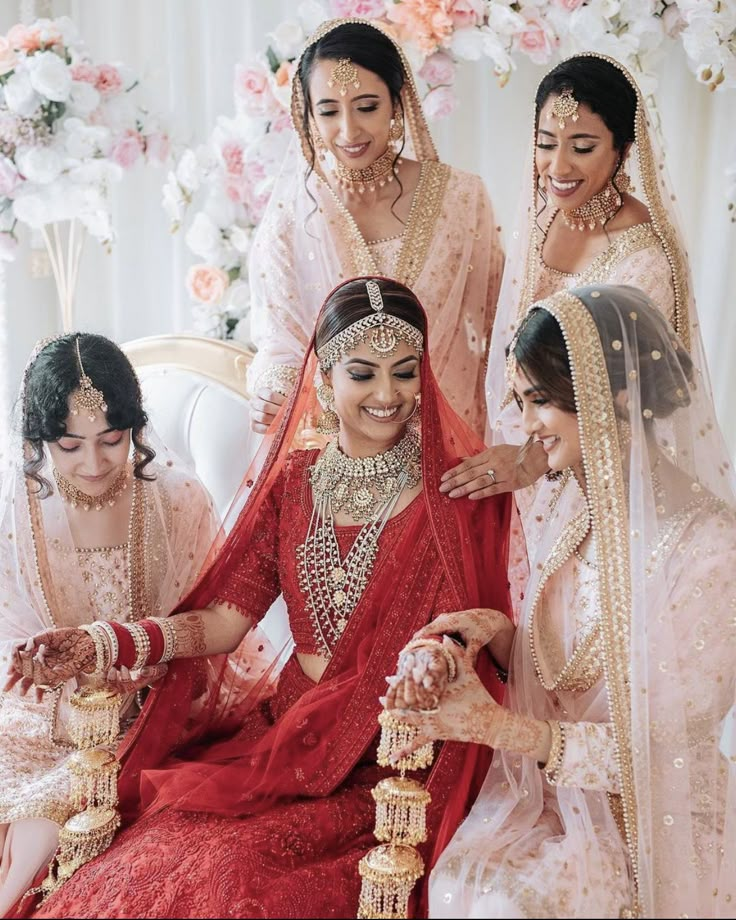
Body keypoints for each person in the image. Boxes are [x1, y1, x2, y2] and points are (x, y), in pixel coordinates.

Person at [18, 278, 512, 919]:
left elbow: (489, 631)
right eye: (363, 373)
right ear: (326, 374)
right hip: (281, 740)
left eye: (405, 372)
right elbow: (225, 621)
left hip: (390, 755)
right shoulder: (296, 483)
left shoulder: (454, 493)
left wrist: (444, 652)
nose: (388, 395)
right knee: (140, 866)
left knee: (233, 877)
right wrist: (107, 639)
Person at [386, 285, 736, 918]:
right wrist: (490, 632)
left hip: (655, 827)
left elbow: (662, 756)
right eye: (522, 402)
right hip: (554, 799)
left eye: (540, 401)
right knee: (454, 883)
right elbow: (570, 666)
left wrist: (501, 729)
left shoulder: (713, 553)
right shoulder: (575, 500)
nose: (525, 426)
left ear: (613, 399)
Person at [0, 334, 219, 916]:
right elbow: (8, 632)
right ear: (39, 441)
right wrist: (36, 668)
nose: (93, 464)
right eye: (69, 445)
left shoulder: (178, 500)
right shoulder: (16, 508)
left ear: (136, 430)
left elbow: (213, 627)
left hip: (159, 706)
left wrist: (140, 676)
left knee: (50, 822)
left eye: (112, 440)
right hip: (48, 711)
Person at [442, 53, 711, 519]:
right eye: (547, 143)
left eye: (582, 147)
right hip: (517, 455)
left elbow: (619, 401)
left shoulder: (643, 260)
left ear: (623, 150)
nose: (557, 166)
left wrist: (530, 461)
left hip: (596, 483)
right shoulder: (545, 216)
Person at [248, 18, 503, 437]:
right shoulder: (292, 219)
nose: (349, 131)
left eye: (367, 107)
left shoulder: (461, 198)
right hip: (335, 451)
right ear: (308, 115)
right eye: (329, 111)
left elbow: (496, 328)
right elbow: (281, 343)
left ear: (397, 103)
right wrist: (272, 391)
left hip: (447, 447)